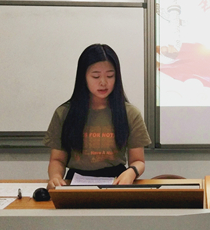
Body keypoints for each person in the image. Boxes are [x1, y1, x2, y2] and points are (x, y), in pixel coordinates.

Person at [44, 44, 151, 189]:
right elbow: (57, 160)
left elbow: (139, 161)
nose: (103, 82)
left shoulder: (130, 113)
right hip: (76, 182)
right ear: (83, 77)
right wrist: (55, 177)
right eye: (96, 76)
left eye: (110, 76)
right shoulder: (64, 113)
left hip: (115, 181)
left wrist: (131, 172)